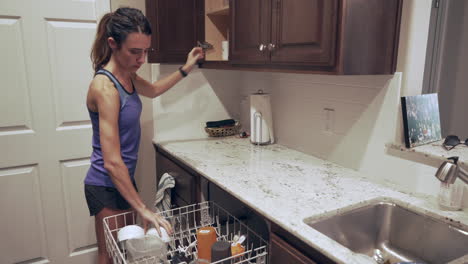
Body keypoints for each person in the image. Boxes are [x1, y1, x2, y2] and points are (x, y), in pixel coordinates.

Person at [84, 7, 203, 264]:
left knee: (127, 250)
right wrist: (144, 209)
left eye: (146, 51)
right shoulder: (105, 88)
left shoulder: (127, 76)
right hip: (105, 182)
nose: (142, 59)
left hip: (123, 179)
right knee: (110, 254)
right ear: (113, 44)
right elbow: (112, 161)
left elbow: (155, 89)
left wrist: (187, 67)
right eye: (135, 52)